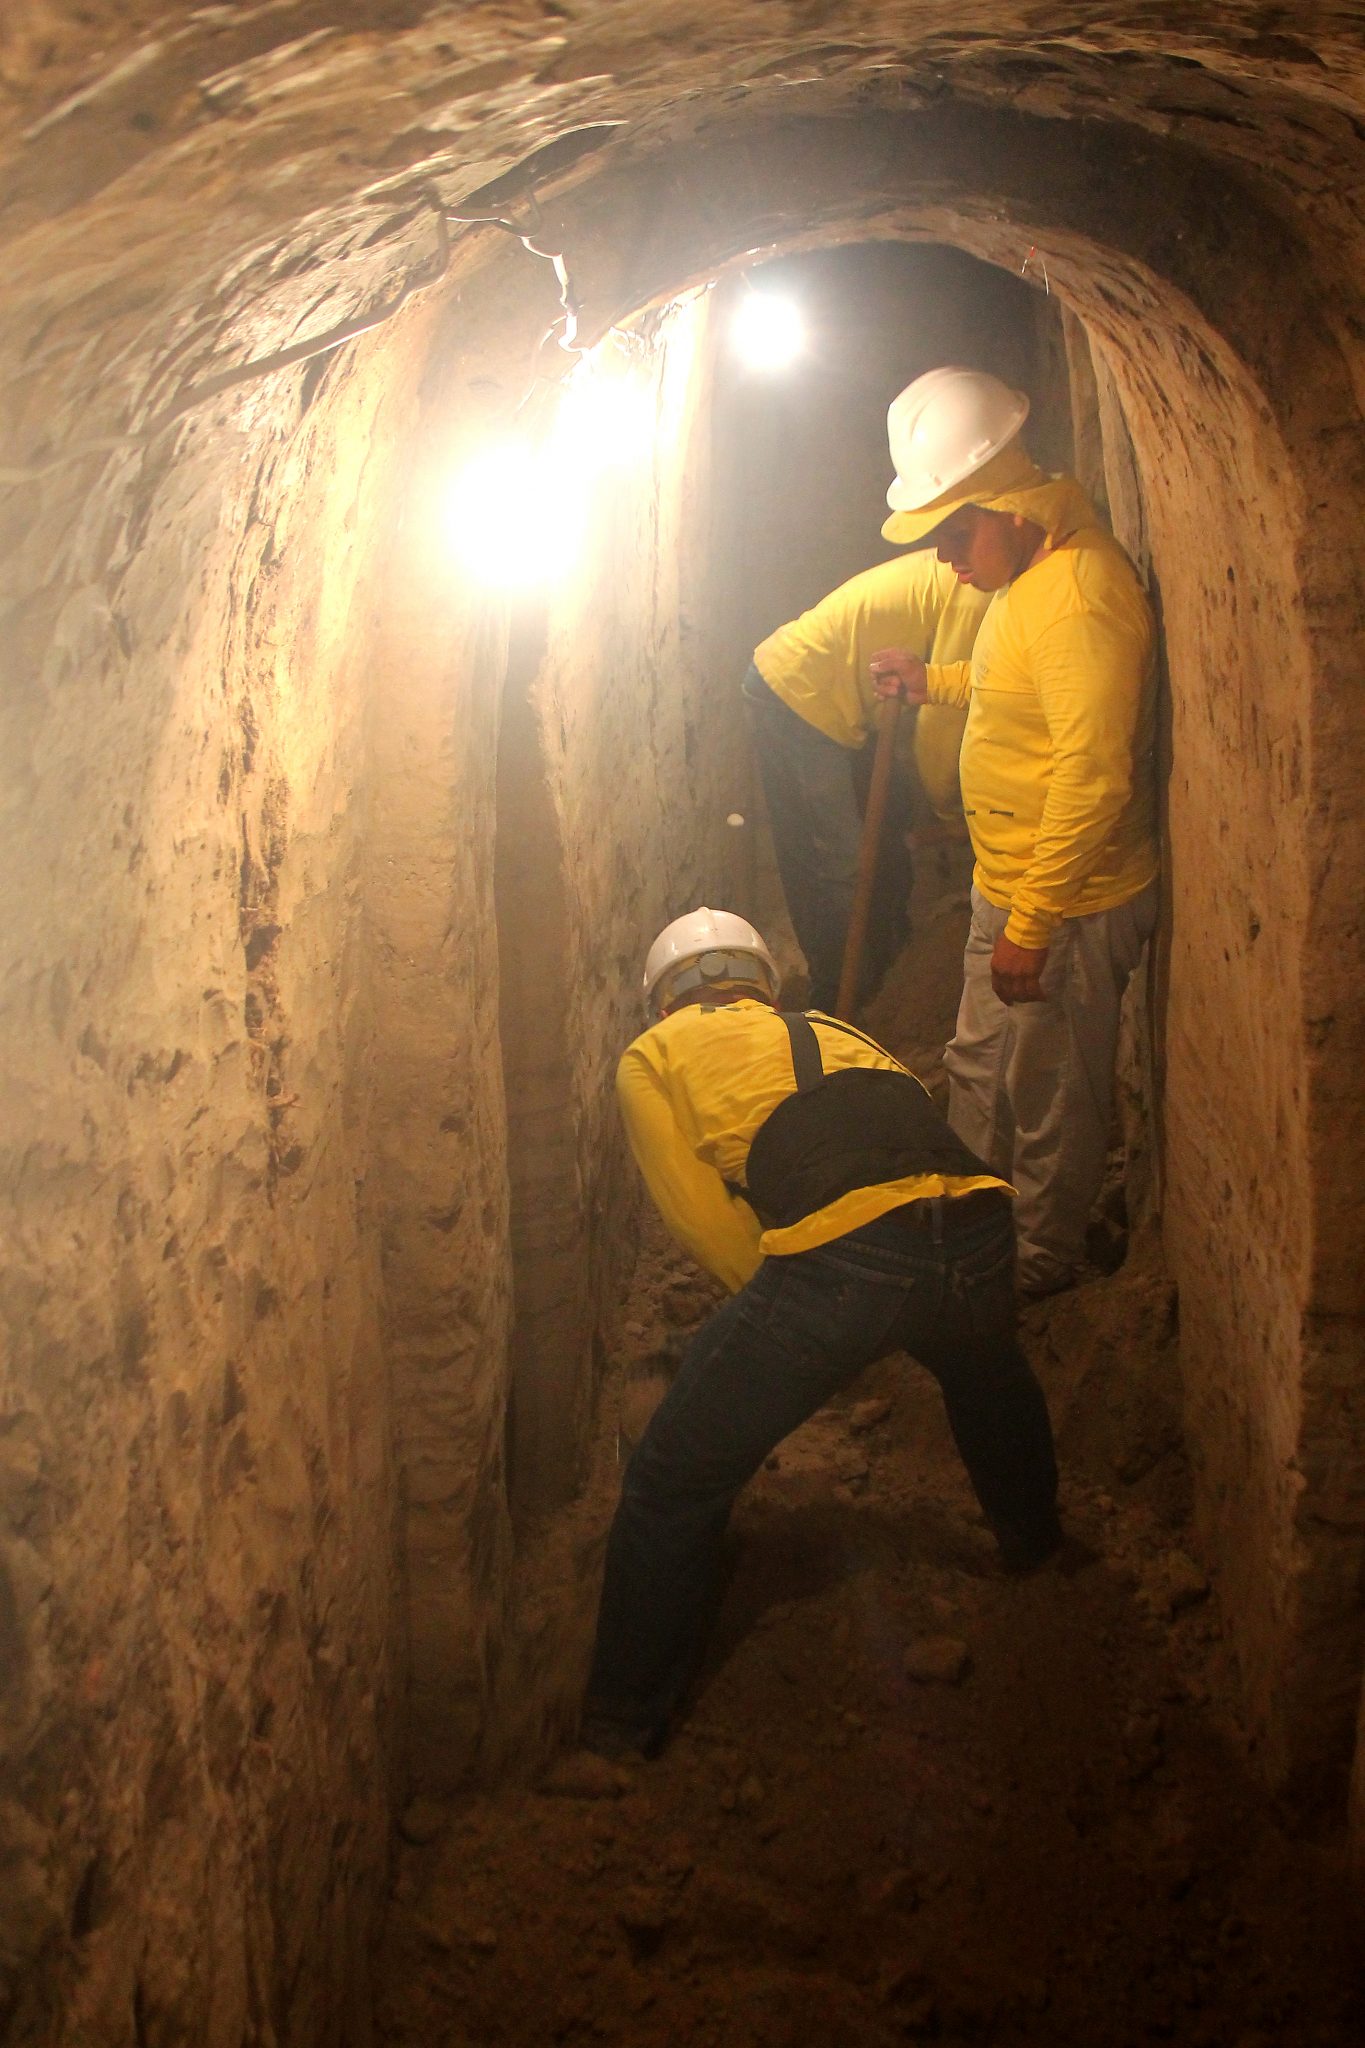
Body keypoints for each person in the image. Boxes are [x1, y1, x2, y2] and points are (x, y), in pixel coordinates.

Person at [579, 907, 1061, 1760]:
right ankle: (1037, 1550)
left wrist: (790, 1331)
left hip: (847, 1259)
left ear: (661, 1001)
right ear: (763, 986)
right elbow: (906, 1141)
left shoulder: (652, 1055)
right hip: (979, 1221)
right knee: (984, 1371)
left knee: (670, 1481)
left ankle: (618, 1728)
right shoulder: (839, 1031)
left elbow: (699, 1214)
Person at [869, 367, 1159, 1302]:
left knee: (1049, 1098)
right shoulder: (1029, 575)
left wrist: (1032, 923)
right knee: (979, 1066)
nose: (945, 559)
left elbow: (1092, 773)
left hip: (1064, 903)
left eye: (955, 535)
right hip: (1012, 885)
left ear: (1008, 509)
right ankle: (965, 1228)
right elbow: (1013, 685)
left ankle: (1034, 1265)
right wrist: (933, 682)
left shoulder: (1078, 597)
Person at [743, 553, 990, 1010]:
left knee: (889, 831)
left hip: (842, 698)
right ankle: (840, 1000)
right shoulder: (978, 590)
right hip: (799, 693)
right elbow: (939, 732)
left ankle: (890, 970)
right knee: (835, 861)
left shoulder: (985, 581)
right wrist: (951, 814)